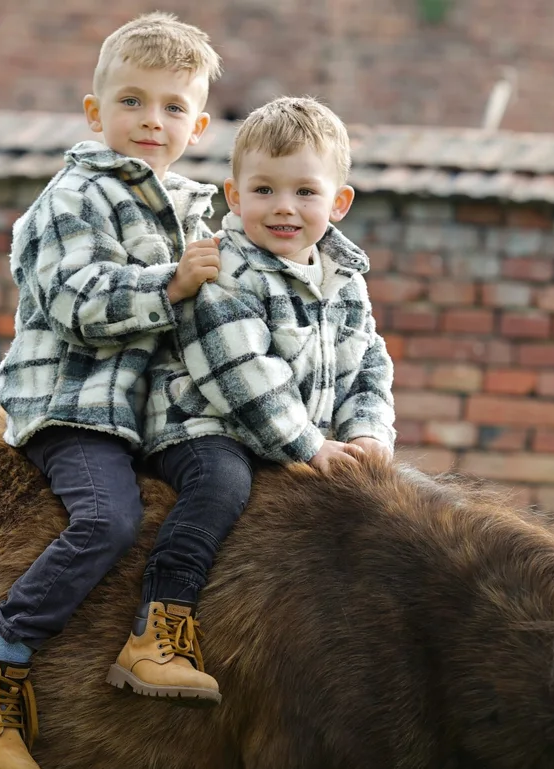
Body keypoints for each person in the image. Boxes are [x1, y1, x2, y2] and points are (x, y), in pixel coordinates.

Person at [0, 12, 223, 769]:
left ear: (197, 126)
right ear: (96, 113)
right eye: (132, 101)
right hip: (76, 407)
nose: (152, 120)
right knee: (108, 519)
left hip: (145, 418)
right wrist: (172, 283)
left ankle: (159, 636)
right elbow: (78, 301)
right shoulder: (74, 197)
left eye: (172, 107)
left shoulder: (193, 209)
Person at [118, 95, 396, 700]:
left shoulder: (345, 281)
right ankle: (159, 626)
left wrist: (366, 433)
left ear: (339, 202)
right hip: (203, 425)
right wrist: (308, 446)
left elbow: (368, 364)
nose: (284, 207)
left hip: (298, 436)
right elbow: (241, 373)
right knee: (222, 485)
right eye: (264, 190)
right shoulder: (224, 271)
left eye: (305, 192)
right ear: (235, 197)